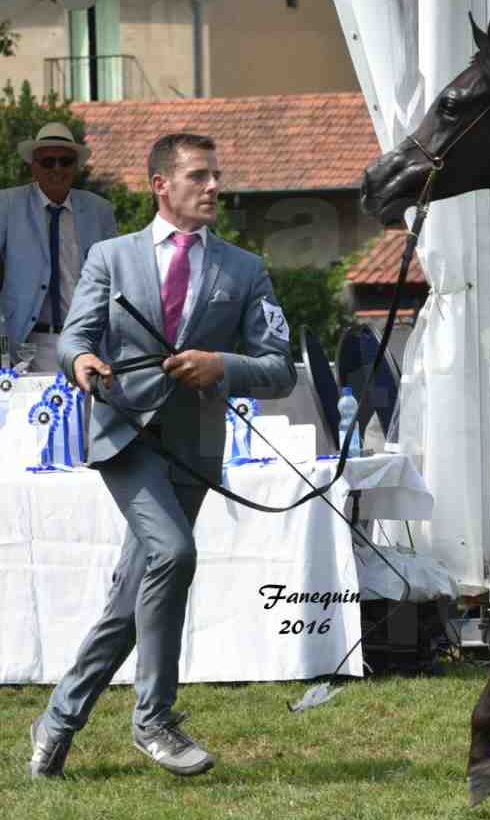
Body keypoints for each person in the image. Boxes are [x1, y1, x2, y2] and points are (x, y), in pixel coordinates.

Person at [27, 133, 297, 781]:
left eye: (215, 175)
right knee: (173, 554)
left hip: (196, 447)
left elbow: (279, 367)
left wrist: (221, 365)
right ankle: (154, 720)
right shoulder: (110, 258)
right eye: (199, 176)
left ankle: (57, 720)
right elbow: (76, 338)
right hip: (124, 435)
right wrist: (82, 363)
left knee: (135, 592)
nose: (213, 187)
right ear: (161, 185)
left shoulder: (244, 268)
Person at [0, 122, 118, 363]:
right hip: (25, 343)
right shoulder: (8, 205)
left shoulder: (100, 210)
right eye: (48, 161)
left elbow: (115, 278)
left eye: (65, 161)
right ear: (34, 166)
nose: (57, 168)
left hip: (86, 342)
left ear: (75, 167)